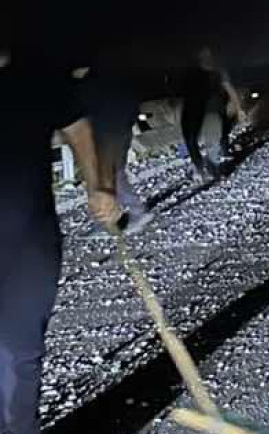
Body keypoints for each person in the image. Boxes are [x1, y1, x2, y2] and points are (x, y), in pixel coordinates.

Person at [1, 41, 123, 434]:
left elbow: (79, 128)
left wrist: (98, 187)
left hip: (28, 242)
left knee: (21, 351)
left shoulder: (34, 76)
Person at [73, 56, 156, 233]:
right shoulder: (115, 80)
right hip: (115, 129)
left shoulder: (94, 83)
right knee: (112, 174)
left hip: (109, 132)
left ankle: (135, 212)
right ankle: (109, 219)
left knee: (113, 175)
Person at [179, 46, 241, 180]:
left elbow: (228, 88)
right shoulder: (191, 72)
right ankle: (201, 168)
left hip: (211, 108)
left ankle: (214, 168)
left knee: (212, 139)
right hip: (192, 108)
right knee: (190, 140)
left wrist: (238, 108)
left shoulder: (218, 71)